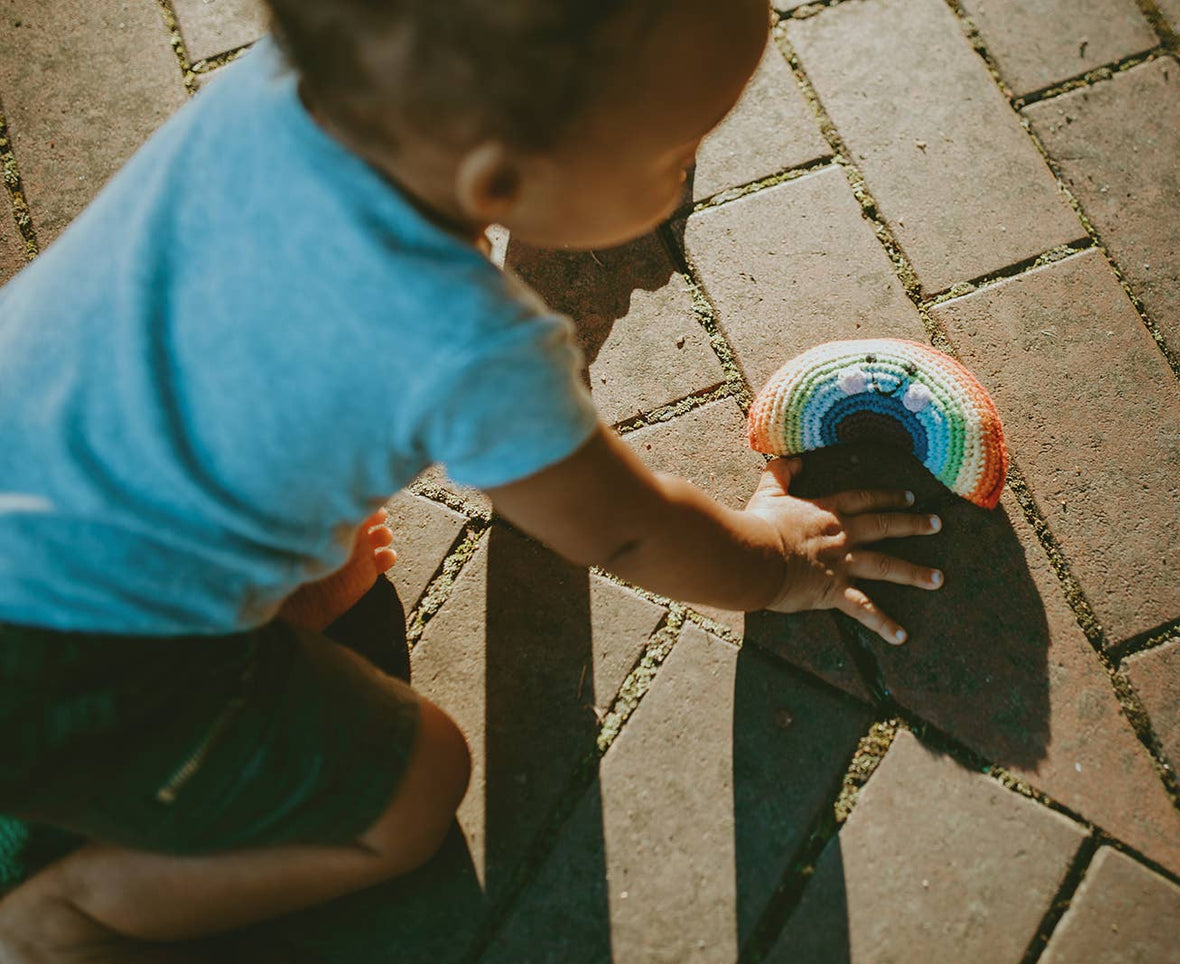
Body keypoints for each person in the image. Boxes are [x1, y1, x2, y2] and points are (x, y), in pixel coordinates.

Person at [0, 0, 944, 958]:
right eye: (670, 156)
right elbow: (627, 530)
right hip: (69, 666)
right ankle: (63, 917)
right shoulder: (469, 348)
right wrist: (778, 561)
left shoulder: (278, 83)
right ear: (496, 174)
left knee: (314, 561)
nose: (675, 201)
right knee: (415, 790)